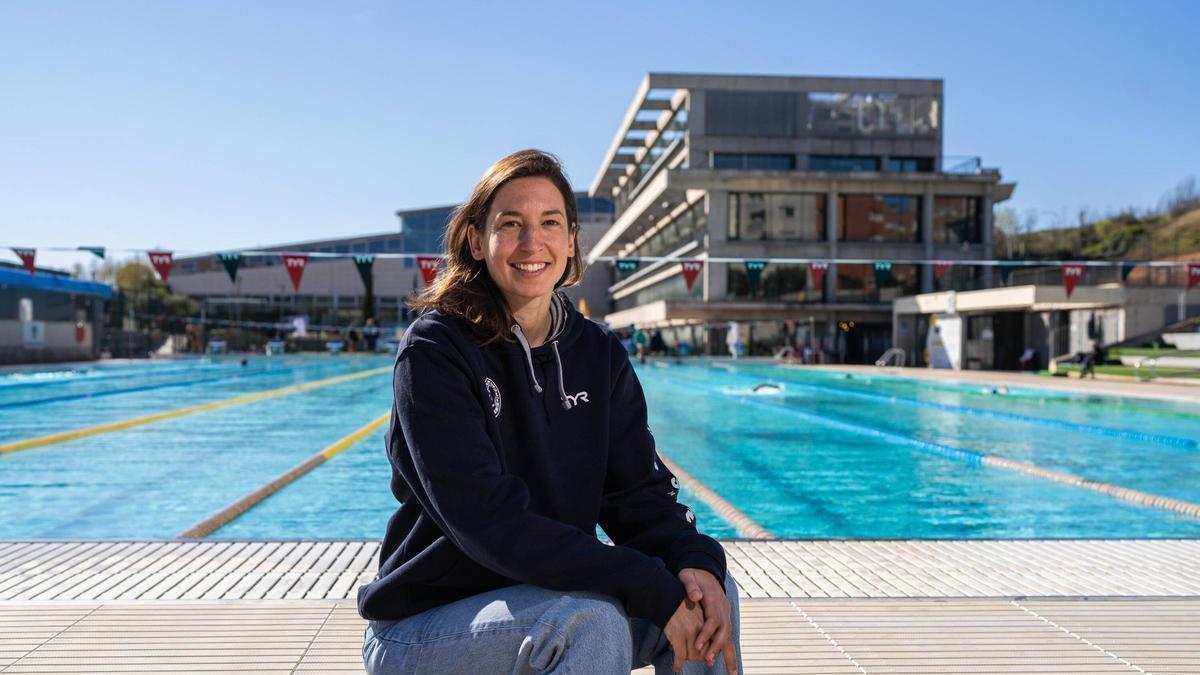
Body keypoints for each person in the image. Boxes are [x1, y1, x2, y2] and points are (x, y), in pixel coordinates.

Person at [357, 150, 740, 675]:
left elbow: (639, 497)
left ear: (571, 239)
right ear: (477, 240)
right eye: (511, 224)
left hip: (552, 599)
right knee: (589, 619)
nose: (531, 242)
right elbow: (488, 522)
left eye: (550, 223)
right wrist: (640, 581)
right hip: (425, 627)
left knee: (707, 597)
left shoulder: (598, 354)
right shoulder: (436, 350)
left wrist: (694, 560)